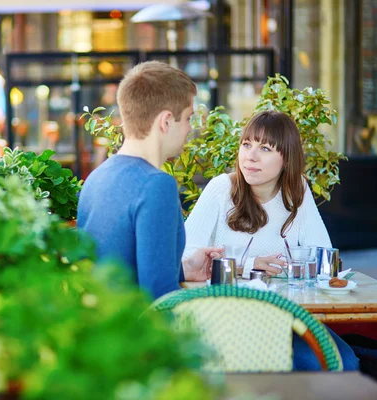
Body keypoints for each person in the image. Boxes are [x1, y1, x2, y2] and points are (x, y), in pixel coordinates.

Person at [183, 110, 358, 370]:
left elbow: (323, 255)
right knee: (306, 366)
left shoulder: (296, 190)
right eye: (246, 145)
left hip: (288, 316)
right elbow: (185, 257)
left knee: (345, 363)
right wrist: (248, 263)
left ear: (286, 159)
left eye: (265, 148)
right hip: (228, 318)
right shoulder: (222, 189)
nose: (250, 156)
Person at [77, 61, 222, 300]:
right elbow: (160, 297)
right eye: (187, 118)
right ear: (165, 121)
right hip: (140, 334)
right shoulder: (156, 185)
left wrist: (185, 269)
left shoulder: (96, 178)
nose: (189, 128)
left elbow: (122, 267)